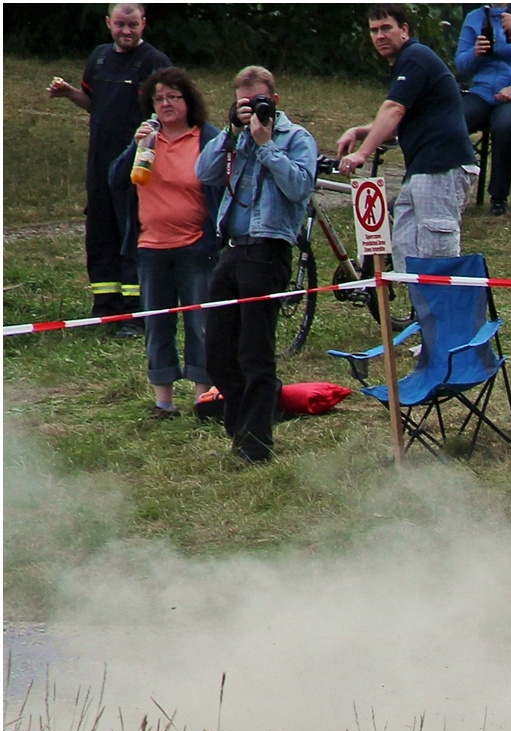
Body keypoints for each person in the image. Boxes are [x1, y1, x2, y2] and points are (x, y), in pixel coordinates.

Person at [194, 66, 317, 463]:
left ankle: (256, 445)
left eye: (260, 101)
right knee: (217, 354)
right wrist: (232, 133)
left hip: (268, 250)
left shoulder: (295, 138)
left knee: (255, 353)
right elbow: (204, 173)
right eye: (245, 103)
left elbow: (300, 186)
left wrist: (266, 144)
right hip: (231, 249)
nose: (254, 109)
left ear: (275, 101)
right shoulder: (236, 139)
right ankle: (242, 425)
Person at [48, 3, 171, 329]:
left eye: (133, 25)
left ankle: (136, 313)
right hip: (99, 166)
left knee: (131, 235)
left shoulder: (155, 64)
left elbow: (169, 115)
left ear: (144, 24)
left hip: (137, 167)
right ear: (108, 23)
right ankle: (105, 308)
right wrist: (70, 93)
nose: (126, 31)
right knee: (100, 236)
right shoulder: (99, 58)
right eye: (120, 25)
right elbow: (95, 105)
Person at [108, 67, 222, 417]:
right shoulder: (146, 138)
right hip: (151, 247)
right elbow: (115, 179)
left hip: (195, 246)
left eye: (173, 96)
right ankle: (163, 402)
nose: (166, 103)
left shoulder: (208, 138)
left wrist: (212, 238)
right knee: (157, 325)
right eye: (159, 98)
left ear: (188, 101)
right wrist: (136, 145)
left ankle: (203, 399)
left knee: (200, 324)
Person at [337, 4, 479, 273]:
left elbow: (394, 109)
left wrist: (361, 154)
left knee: (437, 260)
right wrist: (359, 131)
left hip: (442, 168)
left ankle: (450, 315)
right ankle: (425, 315)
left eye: (386, 28)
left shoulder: (415, 57)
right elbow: (393, 124)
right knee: (406, 253)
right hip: (421, 171)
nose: (380, 36)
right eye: (374, 30)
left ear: (404, 30)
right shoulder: (406, 63)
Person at [456, 3, 511, 216]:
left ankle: (499, 197)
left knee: (505, 127)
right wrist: (475, 53)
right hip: (482, 90)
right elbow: (461, 64)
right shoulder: (474, 18)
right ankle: (454, 185)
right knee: (455, 122)